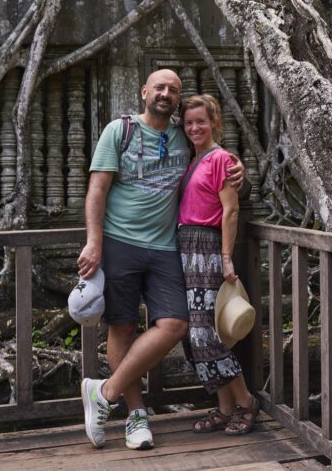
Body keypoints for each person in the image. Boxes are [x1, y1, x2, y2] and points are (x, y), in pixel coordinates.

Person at [77, 69, 242, 451]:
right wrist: (93, 241)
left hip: (167, 247)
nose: (166, 93)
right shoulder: (118, 131)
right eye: (160, 87)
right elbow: (97, 189)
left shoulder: (182, 135)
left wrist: (238, 170)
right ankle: (136, 415)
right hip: (120, 243)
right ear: (145, 91)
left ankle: (103, 392)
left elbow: (212, 159)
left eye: (173, 89)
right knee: (122, 327)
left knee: (175, 323)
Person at [176, 94, 259, 436]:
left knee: (207, 334)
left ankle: (246, 403)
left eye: (201, 121)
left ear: (215, 123)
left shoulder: (221, 159)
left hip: (208, 248)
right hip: (186, 248)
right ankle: (225, 407)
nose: (195, 127)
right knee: (196, 336)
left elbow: (232, 210)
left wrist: (225, 256)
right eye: (189, 122)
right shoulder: (193, 160)